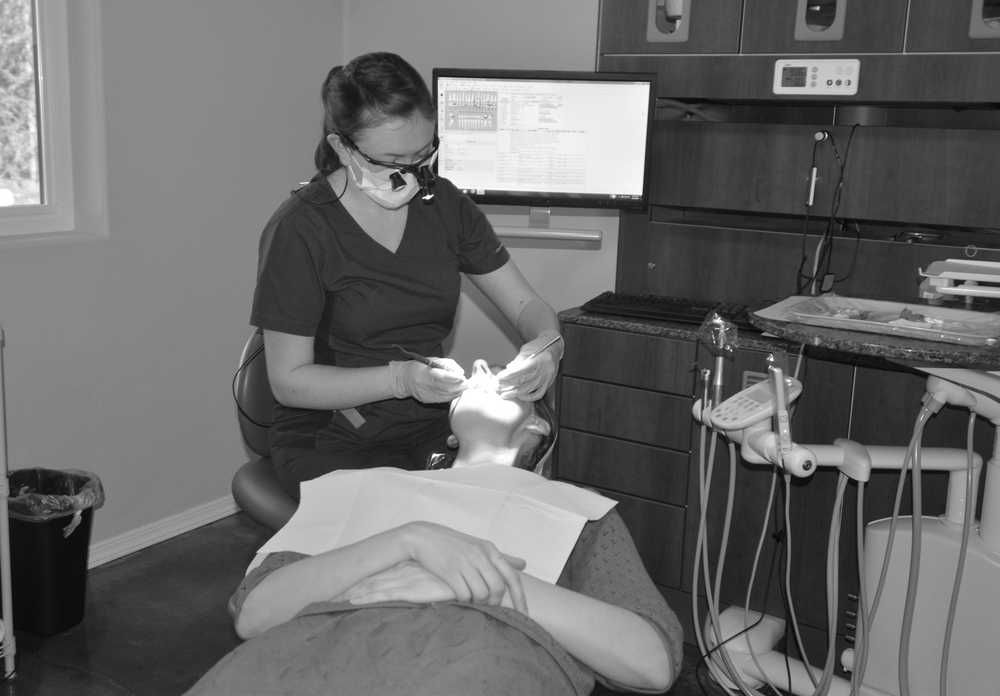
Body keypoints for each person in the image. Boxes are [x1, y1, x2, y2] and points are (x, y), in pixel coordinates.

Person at [185, 361, 683, 695]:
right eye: (477, 372)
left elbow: (653, 662)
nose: (483, 368)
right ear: (448, 425)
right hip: (302, 660)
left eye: (508, 378)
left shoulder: (576, 511)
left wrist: (477, 581)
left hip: (474, 664)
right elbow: (254, 614)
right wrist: (414, 540)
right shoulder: (361, 485)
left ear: (538, 431)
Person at [250, 51, 563, 497]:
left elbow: (527, 306)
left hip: (427, 425)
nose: (413, 176)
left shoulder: (444, 206)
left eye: (423, 155)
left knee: (500, 506)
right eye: (394, 161)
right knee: (413, 534)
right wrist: (398, 379)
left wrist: (545, 346)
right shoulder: (301, 229)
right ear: (342, 147)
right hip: (332, 437)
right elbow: (290, 383)